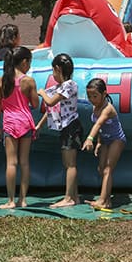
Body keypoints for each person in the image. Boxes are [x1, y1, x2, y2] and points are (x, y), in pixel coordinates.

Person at [0, 46, 39, 209]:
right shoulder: (28, 81)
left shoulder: (2, 80)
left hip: (10, 122)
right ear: (24, 62)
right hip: (25, 121)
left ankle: (10, 200)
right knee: (24, 162)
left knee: (11, 163)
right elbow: (35, 104)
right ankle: (23, 199)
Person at [35, 53, 83, 208]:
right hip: (65, 128)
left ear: (57, 69)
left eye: (53, 71)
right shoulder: (59, 87)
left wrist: (42, 92)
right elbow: (51, 109)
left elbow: (49, 102)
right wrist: (39, 125)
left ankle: (68, 198)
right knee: (67, 163)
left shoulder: (70, 85)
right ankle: (74, 196)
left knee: (70, 164)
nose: (53, 74)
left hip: (71, 127)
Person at [81, 78, 126, 210]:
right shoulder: (95, 107)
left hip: (117, 139)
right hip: (105, 140)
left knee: (107, 169)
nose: (91, 99)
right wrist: (99, 142)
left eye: (95, 96)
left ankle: (102, 200)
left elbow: (99, 123)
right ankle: (107, 200)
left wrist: (90, 138)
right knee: (101, 169)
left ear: (104, 94)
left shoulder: (107, 109)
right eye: (89, 96)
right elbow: (102, 128)